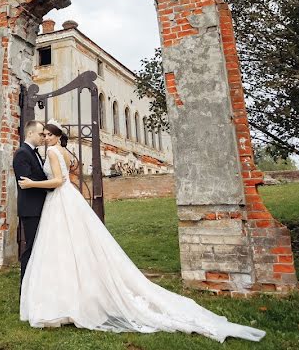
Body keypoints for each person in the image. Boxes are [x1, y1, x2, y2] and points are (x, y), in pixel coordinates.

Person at [18, 119, 266, 343]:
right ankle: (79, 296)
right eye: (43, 134)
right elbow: (70, 174)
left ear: (54, 136)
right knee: (73, 245)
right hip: (68, 200)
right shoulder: (66, 152)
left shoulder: (51, 151)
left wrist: (32, 183)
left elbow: (59, 180)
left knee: (60, 246)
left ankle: (63, 300)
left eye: (47, 134)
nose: (45, 138)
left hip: (59, 198)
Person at [11, 120, 49, 287]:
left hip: (40, 207)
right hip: (31, 209)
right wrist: (50, 183)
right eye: (41, 134)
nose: (43, 137)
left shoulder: (34, 153)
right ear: (30, 133)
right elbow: (25, 181)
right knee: (31, 249)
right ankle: (25, 288)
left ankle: (37, 285)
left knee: (40, 248)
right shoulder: (22, 153)